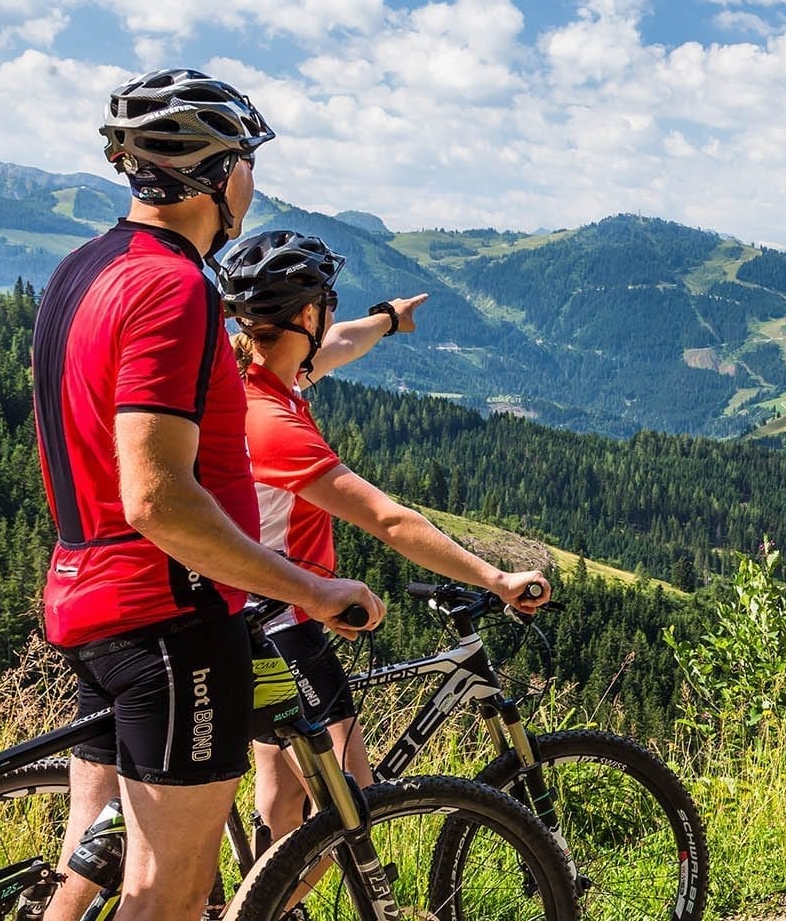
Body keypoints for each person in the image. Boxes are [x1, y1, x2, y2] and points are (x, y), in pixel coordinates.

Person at [30, 69, 386, 921]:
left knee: (90, 877)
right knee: (170, 890)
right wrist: (307, 587)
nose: (252, 184)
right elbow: (158, 496)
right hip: (169, 618)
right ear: (219, 174)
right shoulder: (175, 287)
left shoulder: (83, 270)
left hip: (87, 598)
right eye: (248, 164)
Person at [216, 228, 552, 848]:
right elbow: (391, 521)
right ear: (308, 314)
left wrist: (387, 321)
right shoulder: (273, 422)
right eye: (328, 304)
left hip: (255, 615)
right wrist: (496, 579)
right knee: (350, 815)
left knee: (286, 802)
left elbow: (336, 347)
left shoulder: (250, 376)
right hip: (286, 621)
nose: (332, 319)